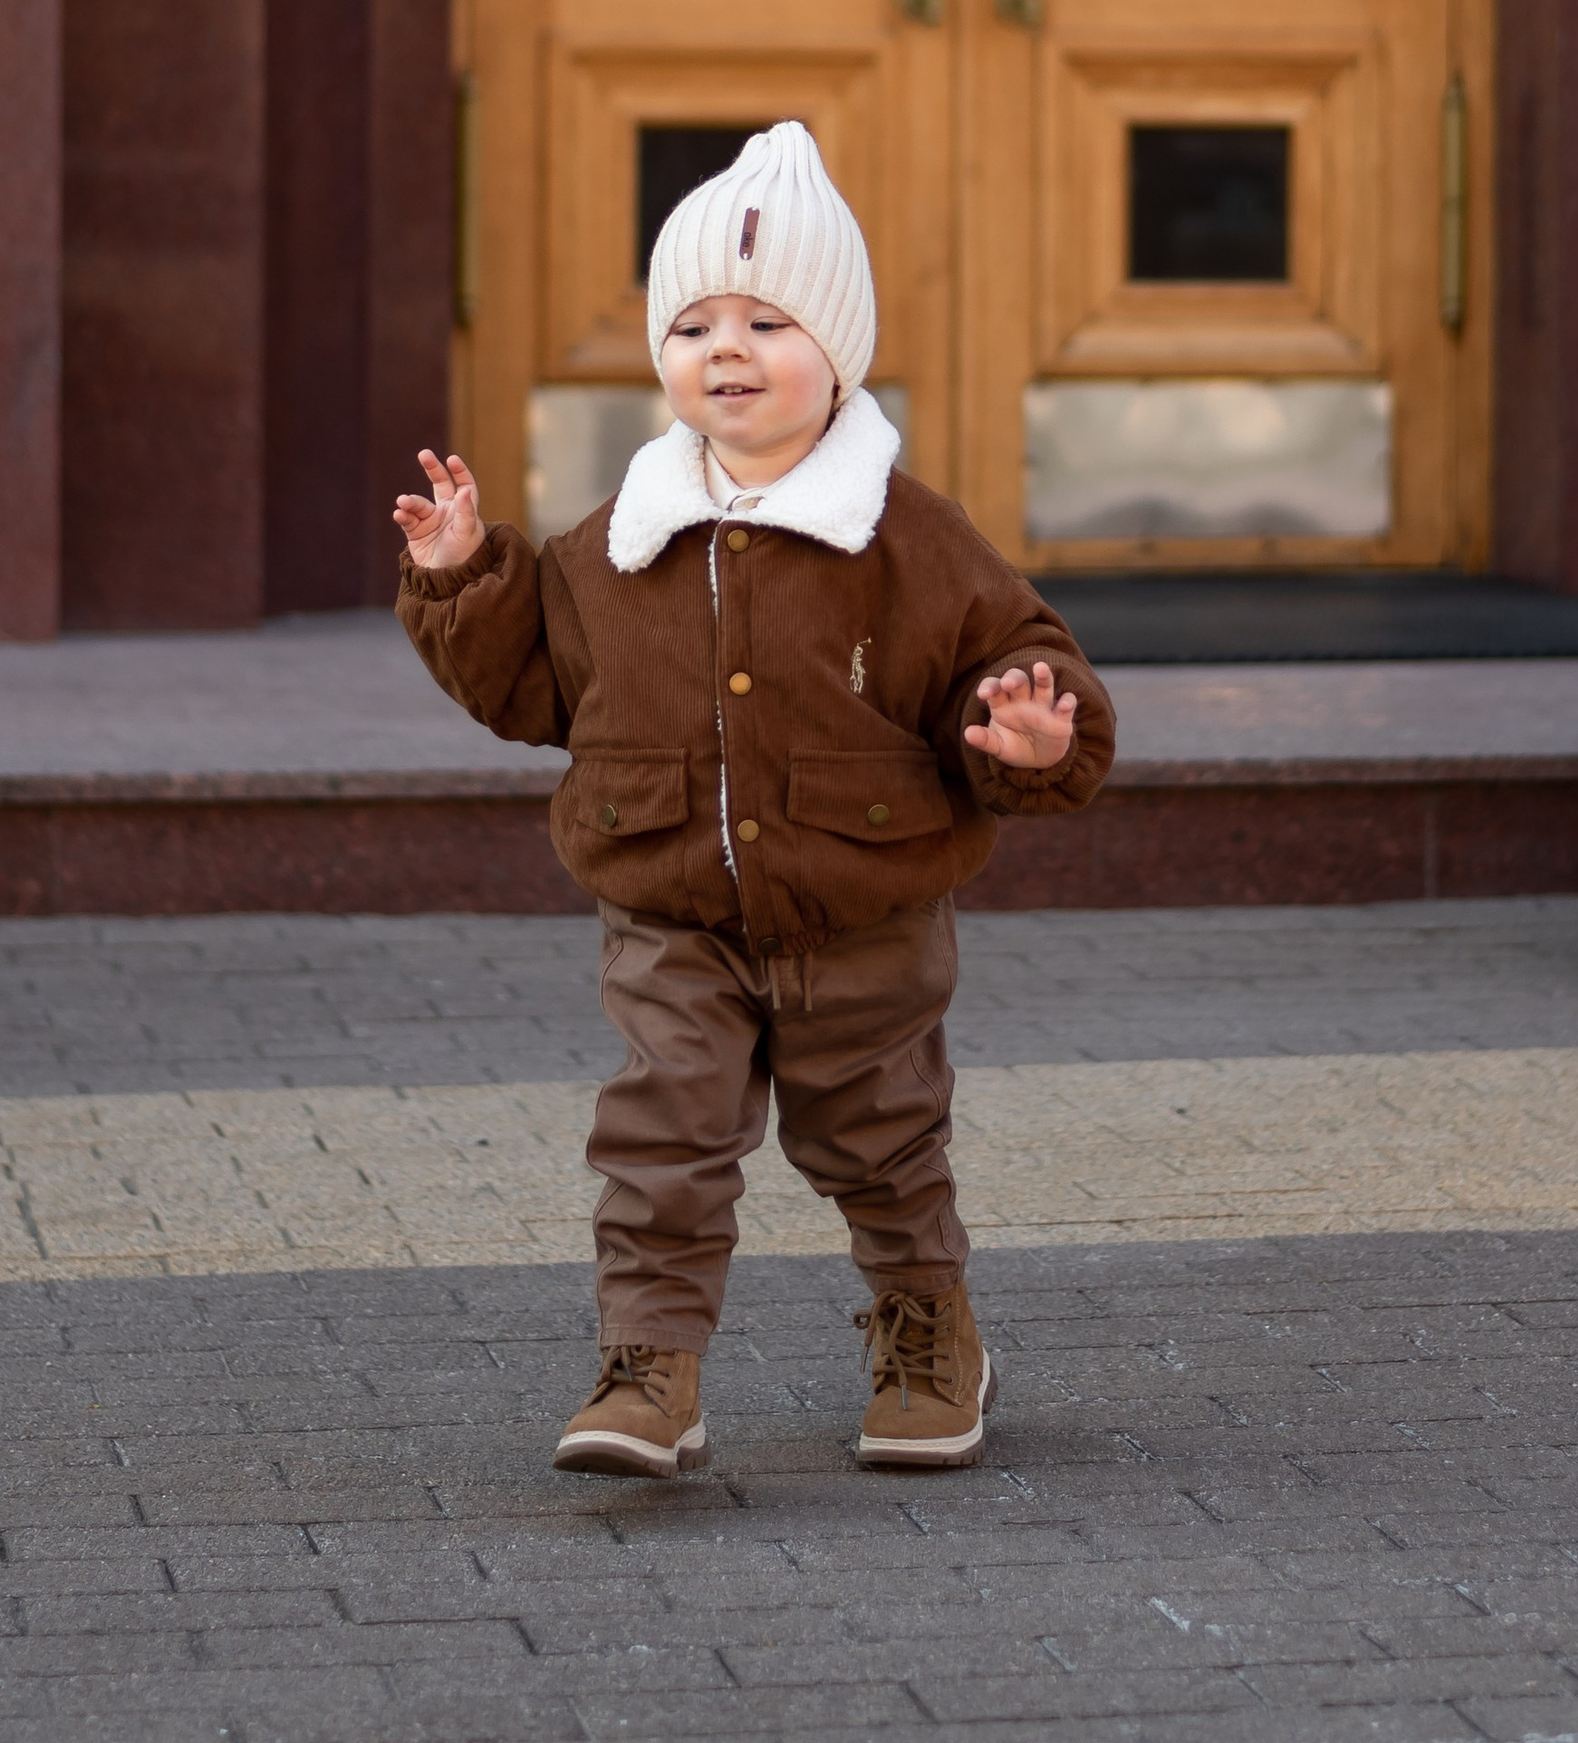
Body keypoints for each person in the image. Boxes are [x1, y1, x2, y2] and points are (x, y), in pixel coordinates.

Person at [392, 119, 1114, 1473]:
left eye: (768, 322)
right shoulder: (613, 544)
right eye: (693, 325)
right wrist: (461, 577)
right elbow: (532, 687)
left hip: (863, 911)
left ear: (838, 349)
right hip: (671, 905)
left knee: (880, 1137)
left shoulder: (911, 539)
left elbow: (1019, 653)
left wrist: (1027, 732)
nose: (725, 349)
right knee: (660, 1134)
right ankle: (648, 1368)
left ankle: (928, 1328)